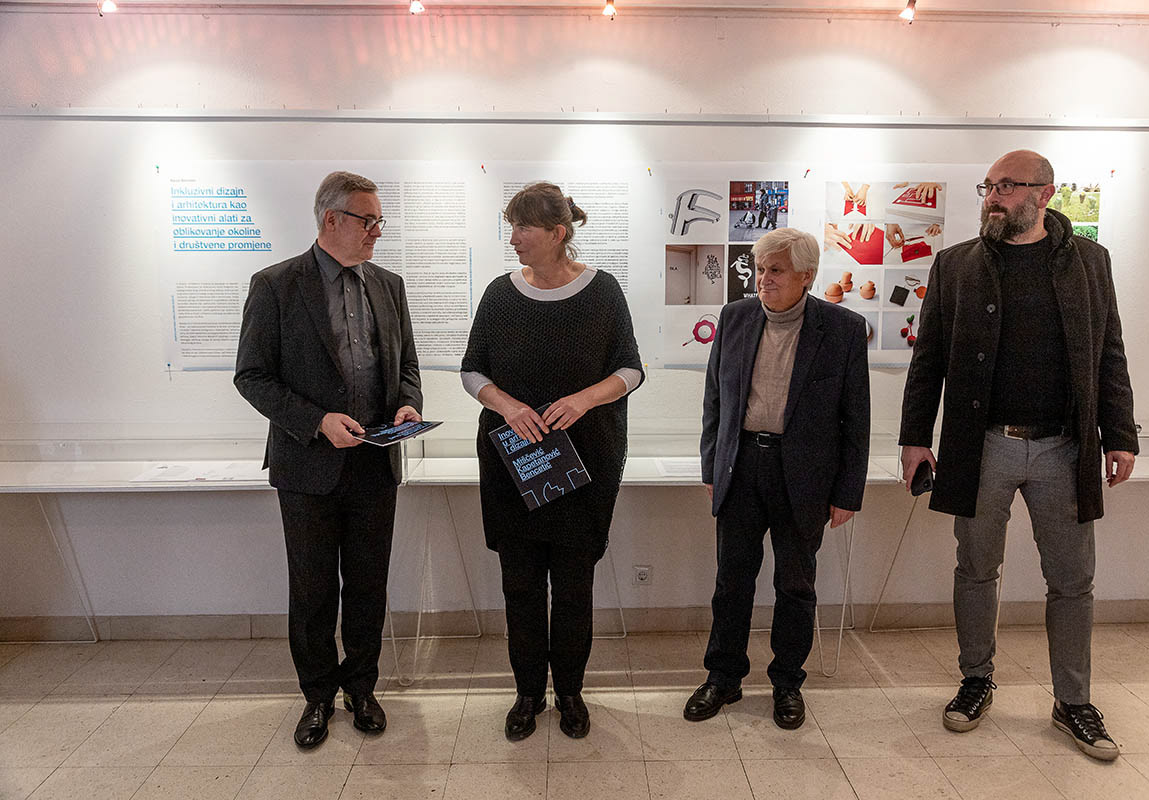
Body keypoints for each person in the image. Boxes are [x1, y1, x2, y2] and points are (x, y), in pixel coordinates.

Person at [899, 150, 1138, 761]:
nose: (993, 196)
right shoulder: (956, 264)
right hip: (983, 446)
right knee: (976, 567)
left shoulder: (1091, 262)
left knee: (1073, 580)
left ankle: (1073, 701)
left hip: (1064, 447)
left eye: (1007, 186)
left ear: (1044, 194)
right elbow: (928, 358)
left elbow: (1110, 351)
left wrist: (1121, 434)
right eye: (989, 186)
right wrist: (914, 437)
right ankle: (976, 679)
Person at [234, 171, 422, 749]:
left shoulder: (389, 285)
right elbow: (252, 377)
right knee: (313, 589)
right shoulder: (275, 286)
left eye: (380, 221)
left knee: (368, 586)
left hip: (374, 464)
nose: (377, 232)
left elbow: (407, 365)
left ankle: (361, 689)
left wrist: (408, 404)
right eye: (369, 221)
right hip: (307, 467)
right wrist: (318, 421)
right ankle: (317, 695)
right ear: (331, 220)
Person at [460, 182, 643, 742]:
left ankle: (569, 693)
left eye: (523, 227)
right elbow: (472, 370)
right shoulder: (500, 294)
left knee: (572, 589)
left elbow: (630, 369)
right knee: (519, 588)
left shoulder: (603, 291)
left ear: (558, 233)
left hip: (584, 465)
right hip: (515, 464)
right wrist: (508, 406)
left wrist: (584, 399)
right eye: (512, 226)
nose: (513, 238)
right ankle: (526, 694)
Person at [686, 227, 870, 730]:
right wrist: (712, 465)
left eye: (776, 270)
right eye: (760, 269)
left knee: (795, 584)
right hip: (741, 465)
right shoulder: (735, 317)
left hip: (805, 476)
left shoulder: (843, 329)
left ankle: (788, 682)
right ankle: (723, 676)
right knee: (731, 581)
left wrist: (847, 493)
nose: (763, 279)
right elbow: (715, 400)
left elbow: (856, 419)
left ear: (806, 276)